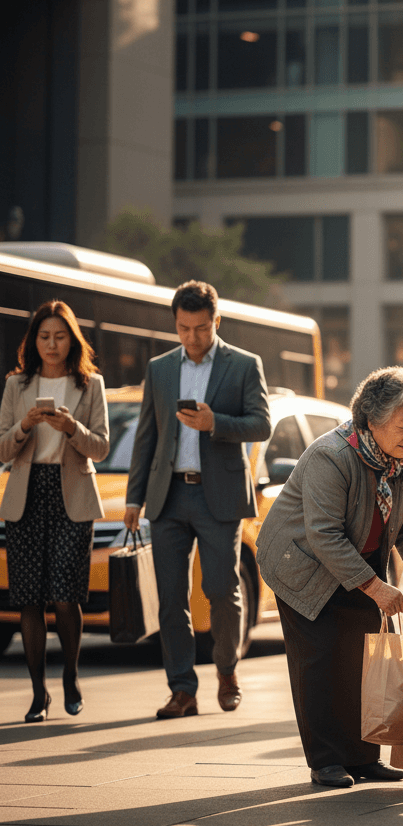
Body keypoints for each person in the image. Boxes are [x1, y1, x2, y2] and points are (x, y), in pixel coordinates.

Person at [256, 366, 403, 788]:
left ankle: (364, 757)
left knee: (363, 660)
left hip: (360, 560)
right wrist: (376, 588)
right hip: (302, 564)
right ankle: (325, 760)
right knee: (319, 659)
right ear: (373, 421)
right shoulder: (332, 456)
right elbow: (324, 535)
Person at [124, 281, 271, 719]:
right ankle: (182, 689)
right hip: (167, 496)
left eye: (201, 328)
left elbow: (261, 424)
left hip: (218, 496)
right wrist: (133, 499)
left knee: (221, 590)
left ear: (216, 321)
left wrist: (215, 422)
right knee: (171, 596)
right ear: (175, 323)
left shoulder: (244, 364)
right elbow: (146, 437)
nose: (192, 337)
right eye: (184, 328)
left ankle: (227, 671)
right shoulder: (160, 368)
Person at [0, 301, 109, 722]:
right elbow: (3, 448)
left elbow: (101, 446)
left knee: (65, 596)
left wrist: (71, 428)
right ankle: (37, 693)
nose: (51, 344)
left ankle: (70, 675)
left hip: (72, 496)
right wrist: (25, 425)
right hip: (26, 496)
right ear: (34, 341)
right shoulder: (17, 385)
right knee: (29, 598)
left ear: (72, 341)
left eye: (60, 336)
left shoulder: (91, 385)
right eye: (44, 336)